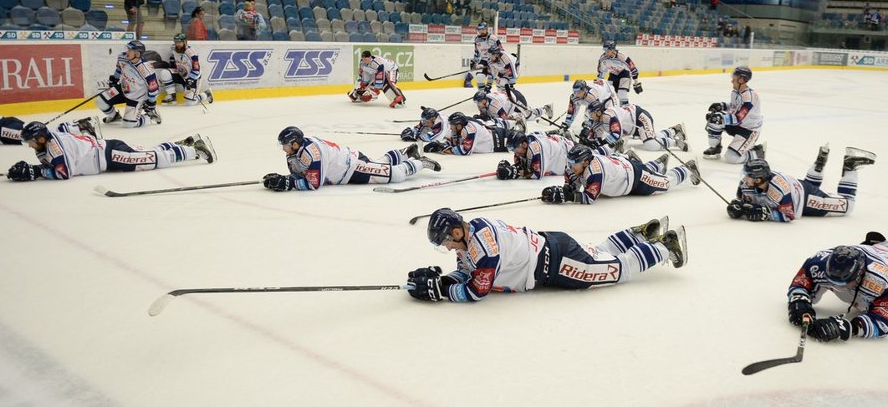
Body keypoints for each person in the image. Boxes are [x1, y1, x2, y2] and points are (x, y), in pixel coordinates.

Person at [406, 208, 687, 302]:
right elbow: (469, 271)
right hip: (552, 246)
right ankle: (638, 234)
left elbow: (479, 289)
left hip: (557, 265)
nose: (445, 248)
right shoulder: (472, 235)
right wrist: (443, 280)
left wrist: (442, 292)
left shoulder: (483, 246)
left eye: (444, 242)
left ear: (456, 233)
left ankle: (665, 246)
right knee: (599, 253)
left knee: (618, 271)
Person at [5, 121, 214, 182]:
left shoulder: (54, 147)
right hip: (107, 151)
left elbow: (63, 173)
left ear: (41, 139)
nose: (30, 146)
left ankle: (194, 151)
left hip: (109, 155)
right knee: (146, 155)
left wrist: (36, 172)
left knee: (152, 160)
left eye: (31, 142)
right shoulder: (49, 140)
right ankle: (186, 143)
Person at [262, 126, 440, 192]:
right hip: (348, 162)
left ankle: (420, 162)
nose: (283, 148)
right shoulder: (294, 152)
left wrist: (288, 183)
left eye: (284, 144)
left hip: (351, 169)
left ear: (294, 144)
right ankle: (405, 153)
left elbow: (313, 184)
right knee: (379, 162)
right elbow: (299, 174)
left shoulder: (312, 153)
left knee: (396, 175)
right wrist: (286, 179)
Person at [727, 146, 875, 222]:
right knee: (810, 184)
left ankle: (850, 167)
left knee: (848, 207)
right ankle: (818, 164)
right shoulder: (745, 185)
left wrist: (765, 215)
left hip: (806, 199)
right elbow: (742, 200)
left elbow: (789, 216)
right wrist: (737, 206)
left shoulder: (781, 191)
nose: (744, 179)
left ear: (759, 179)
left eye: (748, 176)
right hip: (795, 186)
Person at [541, 144, 700, 205]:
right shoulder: (575, 168)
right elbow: (572, 186)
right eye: (569, 162)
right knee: (646, 169)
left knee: (666, 184)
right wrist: (565, 190)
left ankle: (688, 168)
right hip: (623, 166)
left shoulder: (596, 173)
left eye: (573, 163)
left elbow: (589, 198)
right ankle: (659, 163)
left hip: (635, 179)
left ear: (585, 163)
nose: (570, 167)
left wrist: (568, 197)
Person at [498, 131, 649, 181]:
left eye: (515, 148)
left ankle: (622, 156)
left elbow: (537, 174)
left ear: (524, 144)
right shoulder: (524, 147)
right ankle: (612, 148)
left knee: (593, 158)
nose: (514, 152)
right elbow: (521, 165)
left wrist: (515, 173)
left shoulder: (535, 149)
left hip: (565, 151)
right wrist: (514, 168)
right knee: (594, 154)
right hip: (558, 145)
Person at [703, 66, 762, 163]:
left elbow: (739, 117)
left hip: (748, 130)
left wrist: (721, 118)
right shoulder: (736, 92)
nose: (732, 81)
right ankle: (715, 148)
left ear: (741, 80)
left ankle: (757, 153)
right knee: (714, 120)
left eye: (734, 79)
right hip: (736, 125)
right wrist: (722, 106)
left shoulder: (750, 97)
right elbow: (734, 106)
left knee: (731, 158)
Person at [96, 40, 162, 127]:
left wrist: (151, 103)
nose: (127, 52)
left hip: (137, 97)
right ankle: (114, 116)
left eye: (130, 50)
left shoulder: (146, 68)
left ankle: (148, 117)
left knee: (128, 124)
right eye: (128, 49)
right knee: (100, 101)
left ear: (137, 54)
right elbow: (119, 69)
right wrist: (114, 80)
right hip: (124, 89)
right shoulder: (122, 57)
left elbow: (154, 88)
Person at [585, 101, 687, 152]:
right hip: (633, 127)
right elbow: (593, 136)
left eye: (592, 113)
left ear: (598, 112)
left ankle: (676, 142)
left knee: (650, 144)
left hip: (640, 118)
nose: (590, 116)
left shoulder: (608, 116)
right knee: (653, 136)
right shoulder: (598, 119)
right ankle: (674, 130)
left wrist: (603, 142)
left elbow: (617, 134)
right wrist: (591, 140)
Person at [161, 33, 212, 106]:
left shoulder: (192, 54)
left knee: (190, 103)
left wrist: (190, 80)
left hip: (192, 78)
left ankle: (206, 94)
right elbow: (173, 57)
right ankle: (172, 96)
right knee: (165, 73)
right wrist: (172, 63)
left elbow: (196, 70)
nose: (177, 44)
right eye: (176, 42)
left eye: (179, 42)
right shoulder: (173, 48)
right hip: (180, 74)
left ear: (185, 42)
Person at [424, 112, 507, 155]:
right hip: (496, 138)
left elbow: (465, 151)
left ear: (459, 125)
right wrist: (439, 144)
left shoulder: (470, 130)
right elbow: (456, 142)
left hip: (502, 141)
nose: (450, 127)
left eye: (452, 125)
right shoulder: (458, 128)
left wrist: (442, 149)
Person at [473, 89, 551, 133]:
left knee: (529, 116)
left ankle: (545, 109)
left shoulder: (494, 105)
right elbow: (486, 114)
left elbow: (504, 118)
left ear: (484, 100)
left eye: (479, 102)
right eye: (476, 102)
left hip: (516, 98)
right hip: (508, 100)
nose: (478, 105)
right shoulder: (484, 102)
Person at [0, 113, 98, 145]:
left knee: (34, 136)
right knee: (34, 135)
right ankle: (76, 127)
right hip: (2, 126)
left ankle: (78, 128)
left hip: (0, 130)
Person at [465, 22, 504, 89]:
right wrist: (474, 61)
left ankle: (502, 93)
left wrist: (496, 59)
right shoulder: (477, 40)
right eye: (479, 30)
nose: (481, 31)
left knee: (497, 80)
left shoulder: (493, 38)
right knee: (480, 77)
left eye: (483, 29)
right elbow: (477, 52)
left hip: (494, 60)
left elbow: (501, 50)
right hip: (484, 60)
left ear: (486, 29)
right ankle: (482, 93)